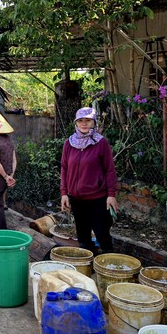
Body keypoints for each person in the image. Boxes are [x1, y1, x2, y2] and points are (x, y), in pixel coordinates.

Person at [60, 107, 118, 253]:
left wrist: (111, 195)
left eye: (88, 120)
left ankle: (109, 267)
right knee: (83, 238)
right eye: (80, 121)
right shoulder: (69, 143)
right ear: (76, 123)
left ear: (94, 122)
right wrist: (64, 193)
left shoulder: (101, 143)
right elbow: (64, 169)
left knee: (102, 234)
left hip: (97, 198)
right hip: (76, 199)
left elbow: (109, 170)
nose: (84, 124)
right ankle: (88, 267)